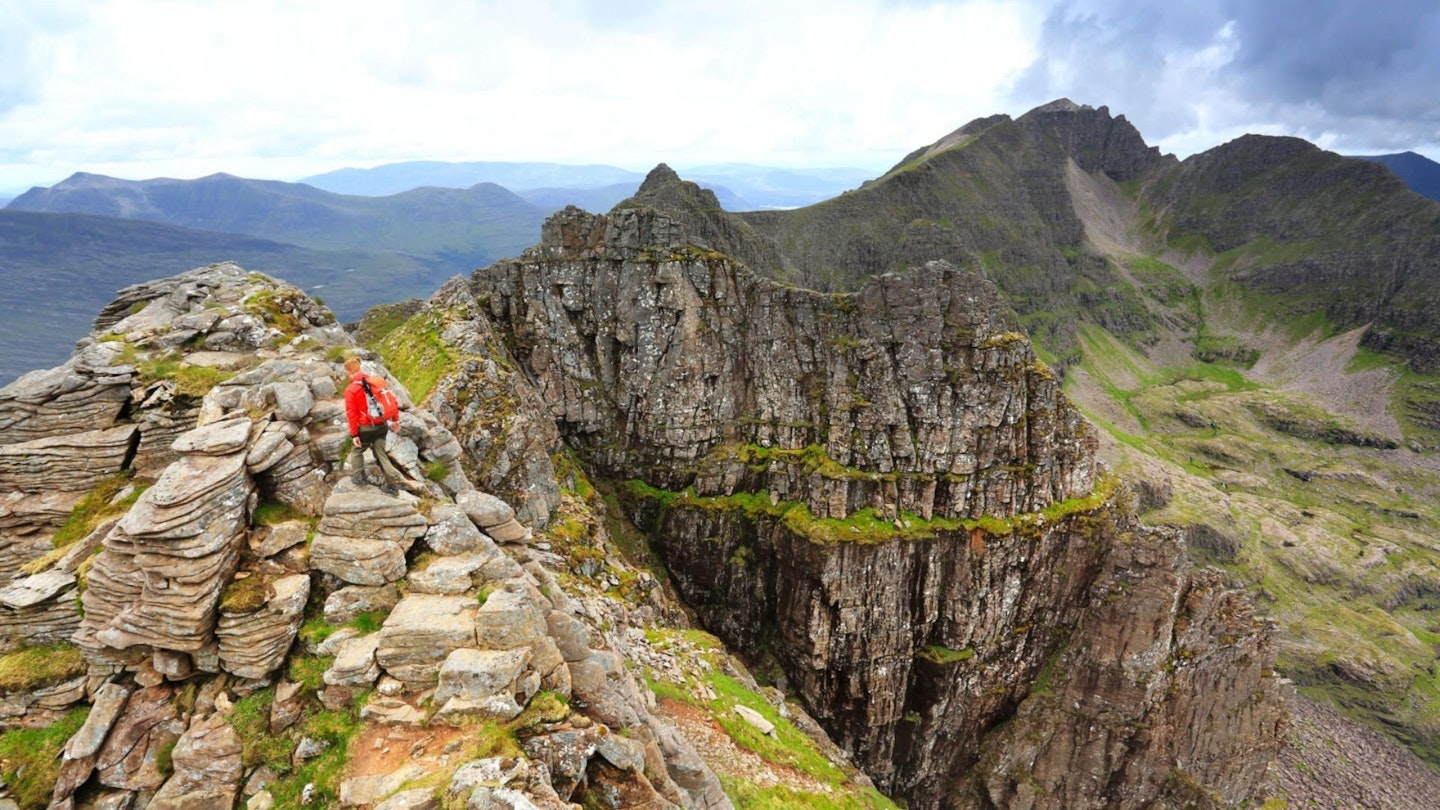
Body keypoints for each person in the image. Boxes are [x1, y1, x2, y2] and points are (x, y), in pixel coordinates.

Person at [342, 357, 418, 494]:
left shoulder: (351, 390)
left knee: (357, 450)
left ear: (348, 372)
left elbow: (351, 414)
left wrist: (354, 434)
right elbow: (392, 401)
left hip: (365, 428)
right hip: (382, 425)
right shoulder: (376, 382)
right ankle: (392, 485)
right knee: (381, 453)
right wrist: (395, 420)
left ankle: (359, 478)